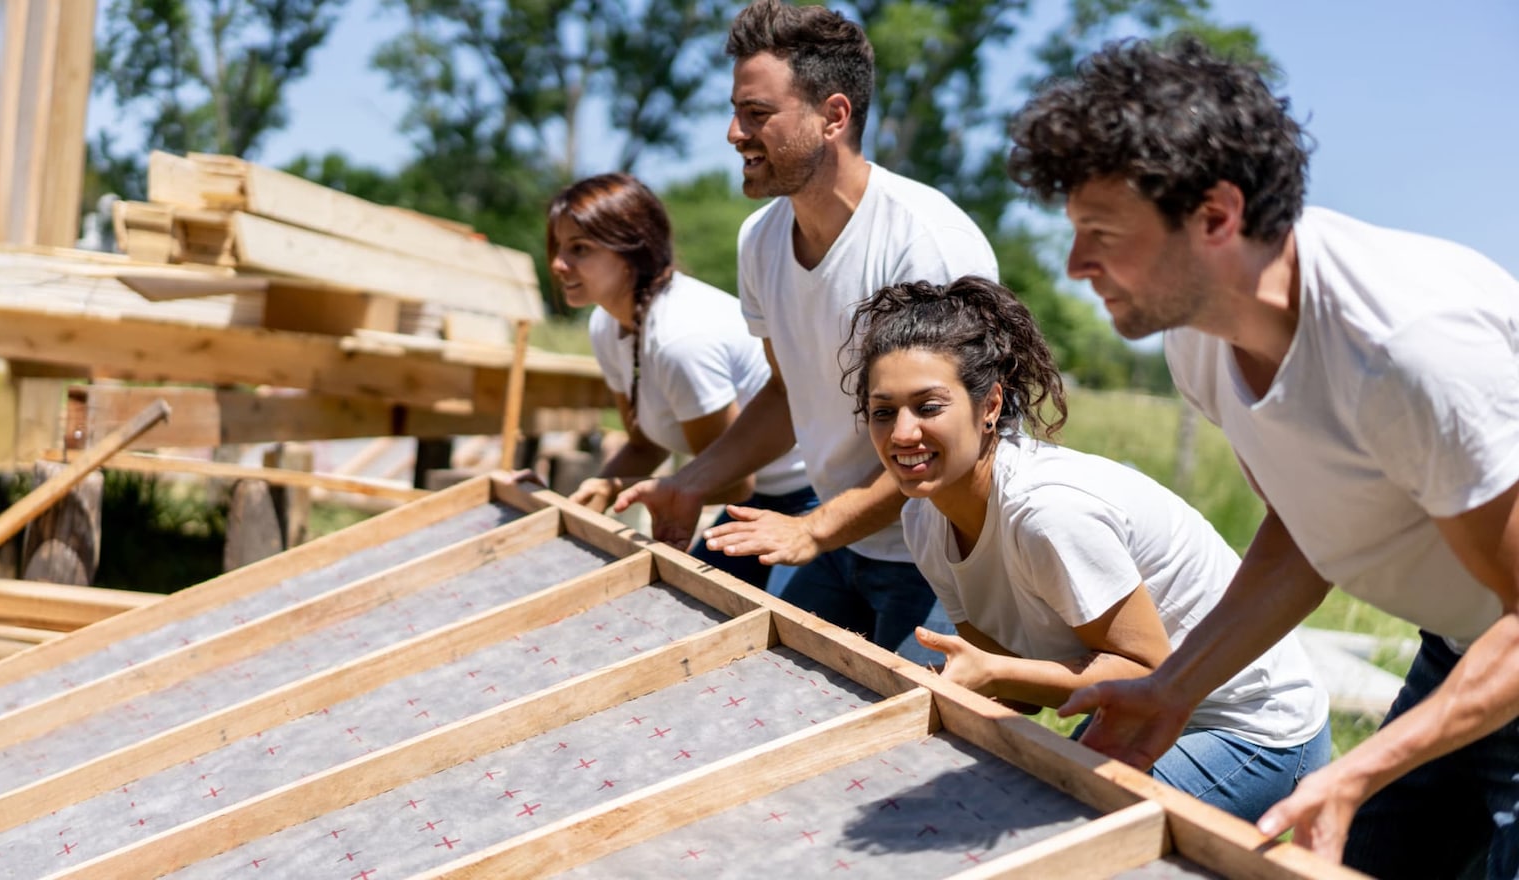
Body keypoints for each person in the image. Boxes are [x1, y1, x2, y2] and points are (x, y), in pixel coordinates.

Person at [1008, 37, 1519, 876]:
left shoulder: (1408, 351)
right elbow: (1304, 529)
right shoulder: (1200, 341)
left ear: (1217, 216)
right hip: (1471, 648)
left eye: (1101, 233)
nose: (1074, 266)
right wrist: (1174, 687)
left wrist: (1356, 768)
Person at [850, 275, 1331, 821]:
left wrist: (989, 679)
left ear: (990, 406)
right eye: (883, 411)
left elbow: (1145, 674)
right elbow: (1013, 683)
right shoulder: (924, 519)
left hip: (1249, 727)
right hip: (1137, 713)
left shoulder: (1047, 512)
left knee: (1056, 840)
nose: (902, 433)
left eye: (928, 406)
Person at [612, 0, 998, 662]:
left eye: (757, 114)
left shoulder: (926, 246)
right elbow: (789, 392)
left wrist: (815, 528)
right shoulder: (760, 240)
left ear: (834, 117)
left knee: (906, 753)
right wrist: (692, 482)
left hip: (945, 552)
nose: (734, 133)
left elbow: (952, 442)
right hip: (835, 533)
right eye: (736, 111)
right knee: (759, 691)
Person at [546, 172, 816, 591]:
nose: (559, 265)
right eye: (558, 248)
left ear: (632, 250)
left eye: (579, 249)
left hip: (804, 498)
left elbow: (732, 480)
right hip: (748, 498)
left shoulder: (680, 340)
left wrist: (624, 489)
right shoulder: (607, 324)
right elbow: (643, 444)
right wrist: (591, 495)